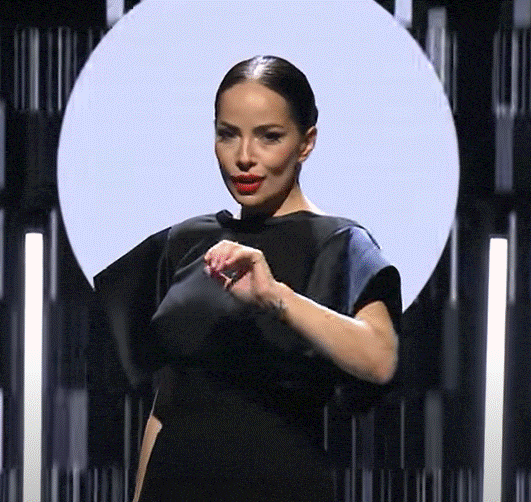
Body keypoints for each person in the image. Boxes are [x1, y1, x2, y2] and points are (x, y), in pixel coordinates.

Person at [93, 55, 401, 501]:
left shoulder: (339, 244)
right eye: (228, 134)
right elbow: (167, 399)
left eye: (269, 137)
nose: (244, 158)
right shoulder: (184, 242)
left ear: (306, 143)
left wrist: (277, 298)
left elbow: (380, 359)